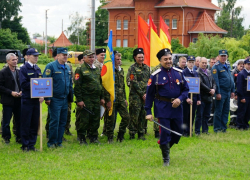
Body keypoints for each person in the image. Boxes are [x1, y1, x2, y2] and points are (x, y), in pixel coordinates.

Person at [145, 48, 189, 166]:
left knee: (178, 132)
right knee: (165, 132)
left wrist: (180, 99)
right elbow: (149, 96)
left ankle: (165, 147)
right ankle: (166, 159)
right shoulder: (155, 76)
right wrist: (148, 112)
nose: (168, 61)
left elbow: (186, 90)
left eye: (170, 58)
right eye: (165, 59)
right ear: (160, 61)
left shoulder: (179, 73)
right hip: (162, 108)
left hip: (177, 108)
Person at [43, 47, 73, 148]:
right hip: (55, 98)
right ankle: (52, 142)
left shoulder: (67, 67)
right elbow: (46, 82)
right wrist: (47, 98)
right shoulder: (51, 66)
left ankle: (59, 142)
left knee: (63, 121)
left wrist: (70, 98)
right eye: (63, 54)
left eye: (66, 55)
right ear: (58, 55)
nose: (65, 56)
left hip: (65, 98)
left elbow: (69, 84)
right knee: (54, 121)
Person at [74, 50, 105, 145]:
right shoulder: (80, 69)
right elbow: (77, 86)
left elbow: (100, 84)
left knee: (95, 118)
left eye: (93, 57)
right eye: (89, 57)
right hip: (86, 99)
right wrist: (79, 100)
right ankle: (81, 137)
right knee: (84, 119)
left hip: (96, 98)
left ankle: (93, 137)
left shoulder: (96, 69)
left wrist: (102, 97)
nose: (92, 59)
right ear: (84, 58)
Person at [19, 48, 43, 151]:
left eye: (37, 56)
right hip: (27, 99)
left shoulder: (37, 68)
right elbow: (23, 84)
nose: (36, 58)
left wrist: (42, 94)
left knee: (34, 123)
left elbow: (42, 83)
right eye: (34, 56)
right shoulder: (23, 68)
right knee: (26, 123)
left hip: (36, 100)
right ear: (28, 56)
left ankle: (31, 144)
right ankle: (25, 144)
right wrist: (36, 84)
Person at [104, 52, 130, 143]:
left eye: (120, 59)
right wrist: (107, 100)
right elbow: (106, 87)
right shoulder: (109, 71)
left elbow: (122, 86)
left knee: (126, 117)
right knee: (111, 119)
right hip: (112, 99)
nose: (119, 61)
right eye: (117, 59)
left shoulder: (121, 70)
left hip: (121, 98)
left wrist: (125, 98)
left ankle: (121, 134)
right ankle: (110, 137)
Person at [126, 48, 150, 140]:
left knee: (143, 115)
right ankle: (132, 133)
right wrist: (142, 94)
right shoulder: (132, 68)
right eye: (139, 57)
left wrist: (147, 93)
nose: (141, 59)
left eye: (142, 57)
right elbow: (133, 82)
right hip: (135, 96)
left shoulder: (146, 68)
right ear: (135, 57)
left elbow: (149, 82)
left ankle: (141, 133)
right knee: (134, 115)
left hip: (145, 96)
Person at [0, 53, 22, 144]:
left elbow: (22, 83)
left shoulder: (19, 71)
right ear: (7, 61)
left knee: (19, 120)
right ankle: (6, 137)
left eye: (16, 59)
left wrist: (21, 91)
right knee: (6, 121)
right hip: (8, 101)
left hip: (18, 100)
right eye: (13, 60)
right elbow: (0, 87)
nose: (15, 61)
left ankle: (19, 137)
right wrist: (11, 92)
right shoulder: (3, 72)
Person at [212, 50, 235, 133]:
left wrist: (233, 90)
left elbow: (231, 79)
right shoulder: (216, 67)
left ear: (227, 57)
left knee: (225, 110)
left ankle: (223, 127)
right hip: (221, 91)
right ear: (218, 56)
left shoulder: (228, 65)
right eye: (221, 56)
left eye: (224, 56)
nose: (223, 57)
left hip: (228, 91)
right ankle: (217, 128)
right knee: (219, 111)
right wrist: (217, 92)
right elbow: (215, 81)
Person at [195, 57, 216, 135]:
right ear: (199, 63)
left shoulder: (209, 72)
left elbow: (214, 82)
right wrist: (209, 90)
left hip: (209, 97)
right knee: (199, 115)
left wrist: (213, 89)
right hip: (202, 96)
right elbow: (200, 83)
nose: (204, 64)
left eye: (205, 63)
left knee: (207, 115)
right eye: (202, 63)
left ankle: (205, 130)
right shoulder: (197, 72)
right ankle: (197, 131)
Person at [182, 56, 201, 136]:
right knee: (185, 115)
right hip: (186, 98)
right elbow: (182, 87)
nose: (191, 64)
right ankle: (184, 131)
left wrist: (199, 99)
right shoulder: (184, 72)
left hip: (194, 98)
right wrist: (186, 98)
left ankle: (190, 130)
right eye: (189, 62)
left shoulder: (195, 72)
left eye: (192, 62)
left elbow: (197, 86)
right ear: (187, 63)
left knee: (192, 115)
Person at [235, 58, 250, 130]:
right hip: (243, 95)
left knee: (248, 111)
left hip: (249, 95)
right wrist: (241, 97)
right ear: (244, 65)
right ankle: (239, 125)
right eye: (248, 64)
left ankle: (245, 124)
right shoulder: (241, 74)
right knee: (242, 111)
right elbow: (239, 86)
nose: (249, 66)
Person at [229, 60, 244, 128]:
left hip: (241, 93)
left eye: (243, 66)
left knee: (239, 108)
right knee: (233, 108)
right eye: (240, 66)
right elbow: (233, 83)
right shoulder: (234, 72)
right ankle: (232, 122)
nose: (241, 68)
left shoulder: (243, 73)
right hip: (235, 93)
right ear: (237, 65)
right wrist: (234, 93)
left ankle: (238, 122)